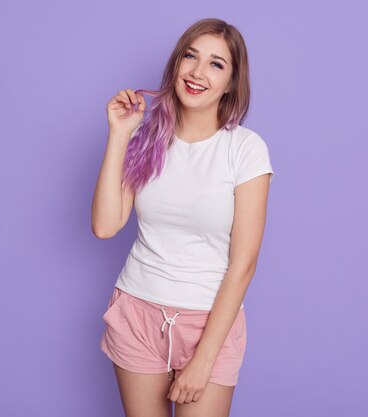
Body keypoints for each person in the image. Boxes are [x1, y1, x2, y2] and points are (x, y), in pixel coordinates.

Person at [91, 17, 274, 417]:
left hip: (209, 324)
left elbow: (243, 265)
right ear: (176, 64)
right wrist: (120, 134)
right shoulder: (146, 140)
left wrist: (205, 358)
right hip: (137, 312)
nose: (197, 71)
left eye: (216, 64)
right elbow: (105, 226)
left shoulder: (245, 149)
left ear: (230, 83)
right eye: (190, 56)